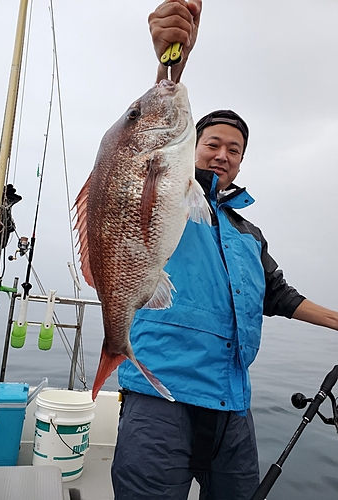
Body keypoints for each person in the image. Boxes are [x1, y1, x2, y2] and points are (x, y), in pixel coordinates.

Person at [111, 1, 338, 499]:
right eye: (212, 143)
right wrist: (172, 64)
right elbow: (148, 147)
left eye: (234, 150)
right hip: (159, 396)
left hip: (233, 406)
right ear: (190, 147)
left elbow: (279, 296)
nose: (222, 154)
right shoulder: (172, 196)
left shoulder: (249, 234)